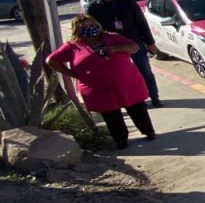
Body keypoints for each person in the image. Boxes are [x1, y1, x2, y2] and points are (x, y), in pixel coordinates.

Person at [45, 14, 156, 149]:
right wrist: (71, 74)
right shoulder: (72, 47)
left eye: (92, 25)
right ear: (77, 30)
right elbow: (51, 60)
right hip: (97, 89)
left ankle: (148, 131)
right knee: (111, 114)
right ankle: (120, 139)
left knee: (136, 108)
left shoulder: (112, 37)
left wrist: (114, 49)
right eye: (85, 27)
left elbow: (134, 47)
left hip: (126, 83)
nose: (90, 28)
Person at [87, 0, 162, 107]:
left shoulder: (127, 2)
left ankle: (154, 97)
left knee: (145, 72)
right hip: (111, 46)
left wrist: (150, 43)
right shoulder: (93, 8)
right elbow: (92, 31)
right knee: (123, 76)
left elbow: (142, 24)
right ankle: (139, 100)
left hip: (134, 42)